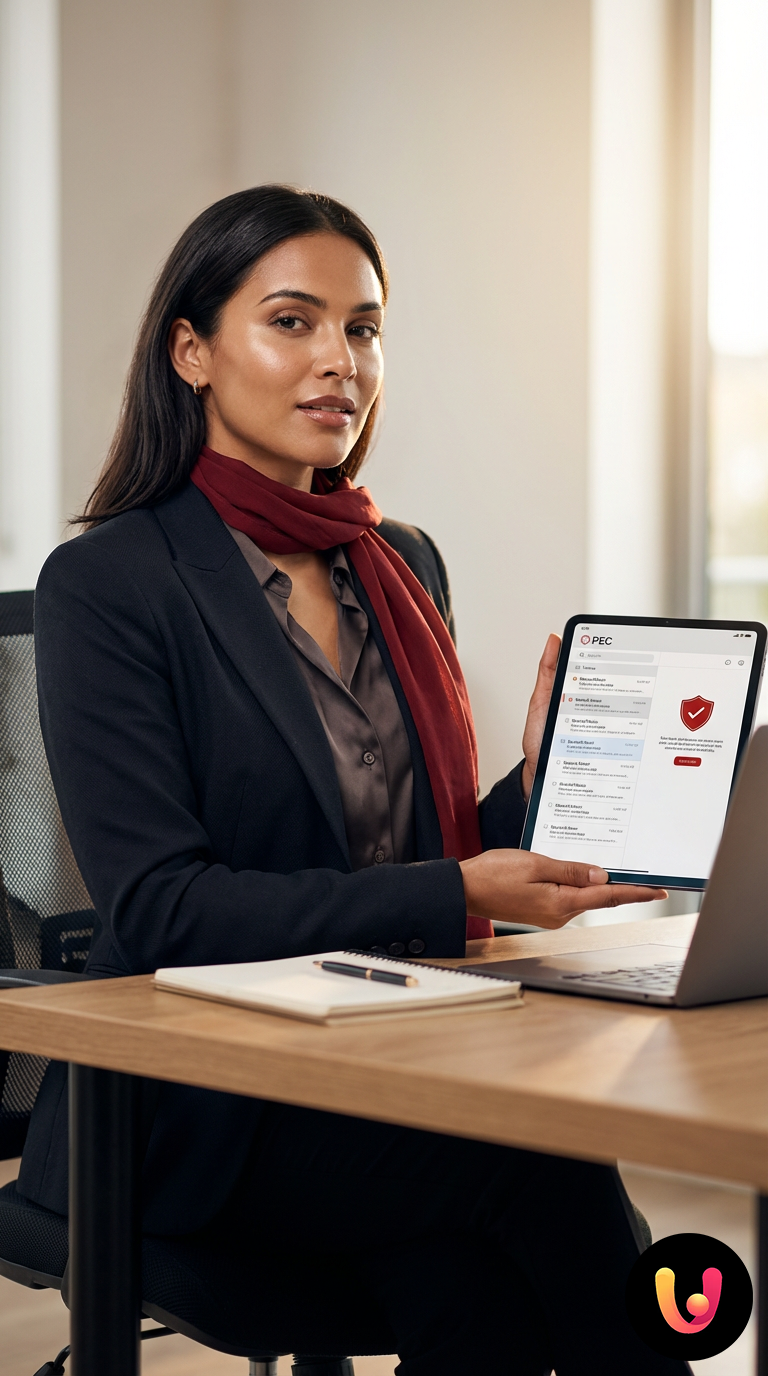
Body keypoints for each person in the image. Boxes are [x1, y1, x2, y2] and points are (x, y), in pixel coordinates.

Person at [19, 186, 689, 1375]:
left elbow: (411, 857)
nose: (341, 361)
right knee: (540, 1162)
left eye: (365, 328)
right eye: (294, 320)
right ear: (192, 351)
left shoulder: (396, 562)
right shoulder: (112, 582)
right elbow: (166, 909)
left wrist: (545, 775)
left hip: (384, 1063)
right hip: (193, 1104)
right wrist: (460, 884)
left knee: (477, 1288)